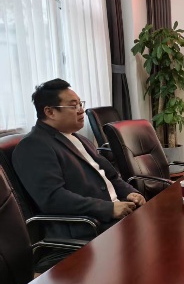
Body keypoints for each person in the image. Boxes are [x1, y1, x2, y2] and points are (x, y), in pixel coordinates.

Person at [13, 79, 145, 240]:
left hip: (116, 216)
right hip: (89, 228)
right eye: (73, 106)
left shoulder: (79, 138)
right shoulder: (34, 146)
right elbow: (52, 198)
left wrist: (130, 192)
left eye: (80, 104)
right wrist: (109, 209)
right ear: (50, 112)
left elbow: (111, 176)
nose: (81, 110)